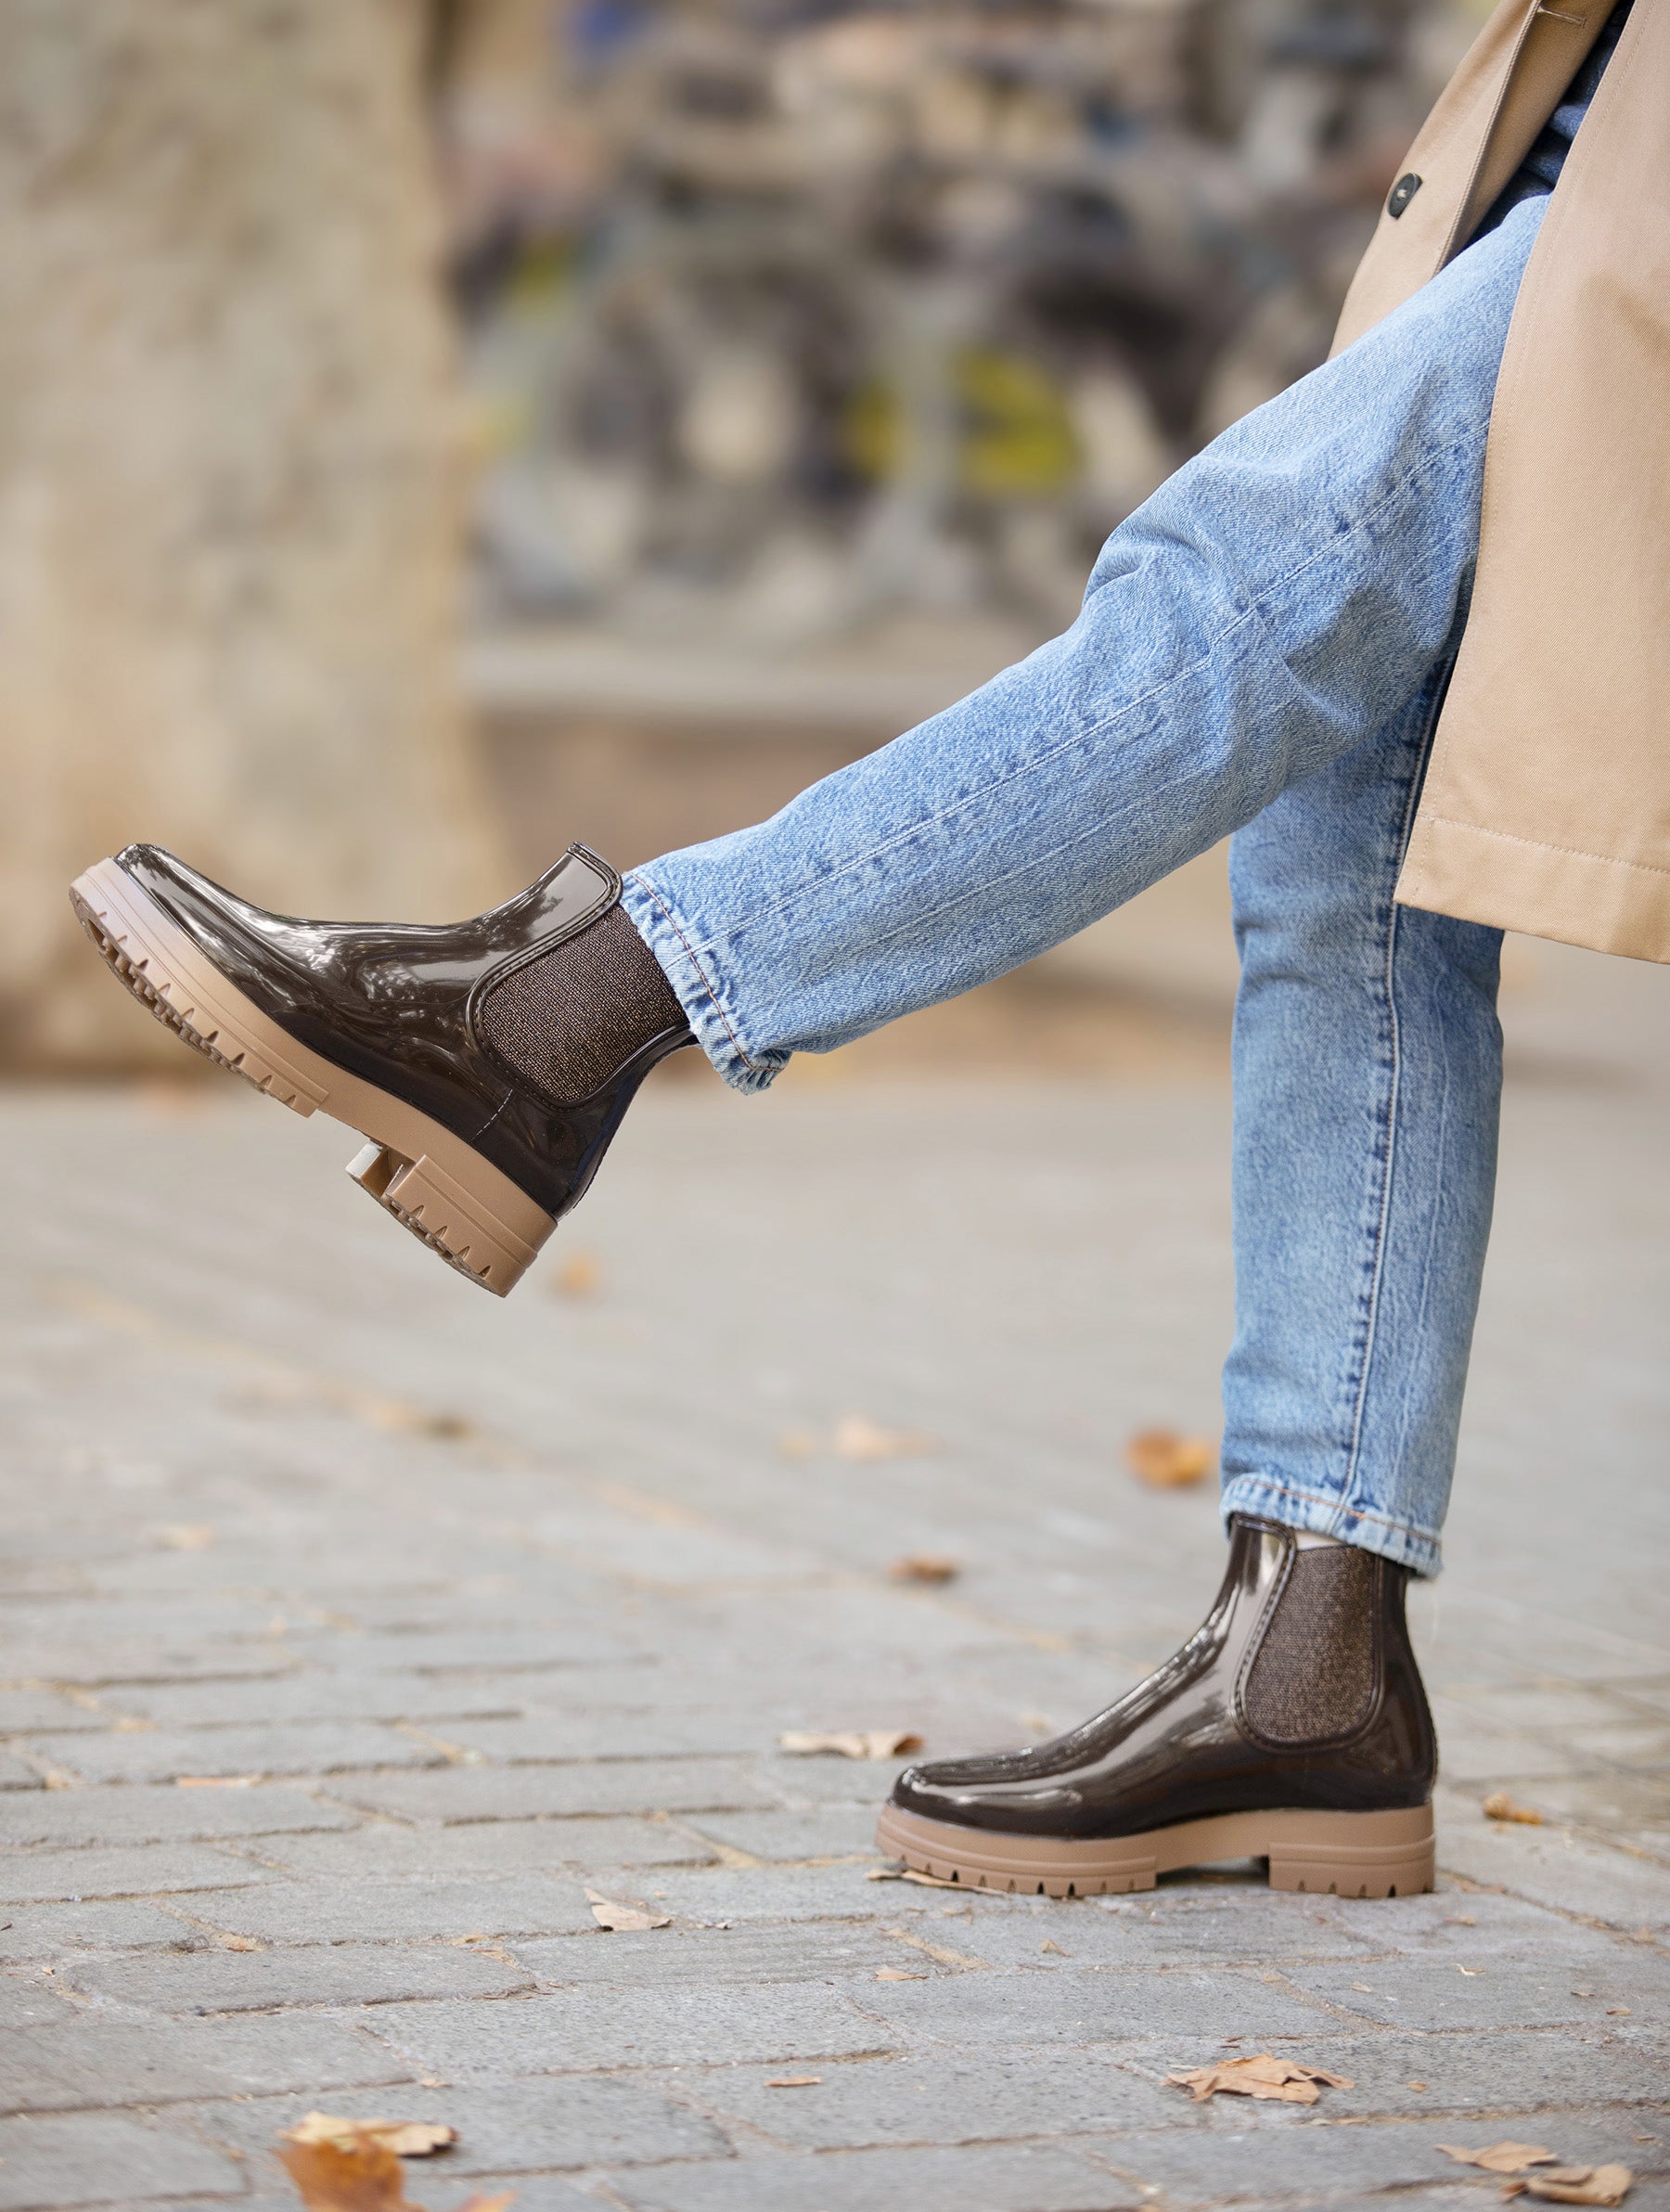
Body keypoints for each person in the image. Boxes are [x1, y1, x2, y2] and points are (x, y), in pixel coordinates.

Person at [70, 0, 1662, 1901]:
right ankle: (1309, 1664)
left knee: (1250, 590)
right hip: (1572, 155)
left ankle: (568, 1013)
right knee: (1343, 852)